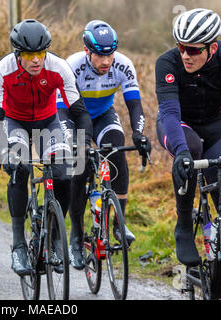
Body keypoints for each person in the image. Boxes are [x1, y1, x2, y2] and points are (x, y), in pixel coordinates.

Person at [155, 8, 221, 294]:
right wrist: (182, 152)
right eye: (180, 47)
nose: (185, 55)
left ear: (212, 47)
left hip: (216, 129)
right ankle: (185, 223)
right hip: (177, 126)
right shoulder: (167, 63)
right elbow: (170, 113)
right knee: (191, 149)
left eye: (192, 50)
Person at [0, 19, 93, 275]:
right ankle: (19, 245)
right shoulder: (1, 71)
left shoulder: (58, 67)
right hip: (14, 122)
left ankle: (56, 236)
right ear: (17, 54)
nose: (36, 60)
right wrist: (3, 152)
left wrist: (84, 144)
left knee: (65, 175)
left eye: (41, 53)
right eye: (29, 55)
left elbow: (80, 113)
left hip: (48, 121)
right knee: (20, 168)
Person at [56, 20, 151, 269]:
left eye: (110, 54)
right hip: (73, 116)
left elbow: (134, 104)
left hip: (103, 115)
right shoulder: (71, 67)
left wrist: (139, 134)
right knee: (81, 169)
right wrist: (77, 142)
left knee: (117, 149)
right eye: (100, 55)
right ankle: (76, 236)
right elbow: (61, 111)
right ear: (87, 51)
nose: (106, 62)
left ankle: (119, 223)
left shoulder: (123, 65)